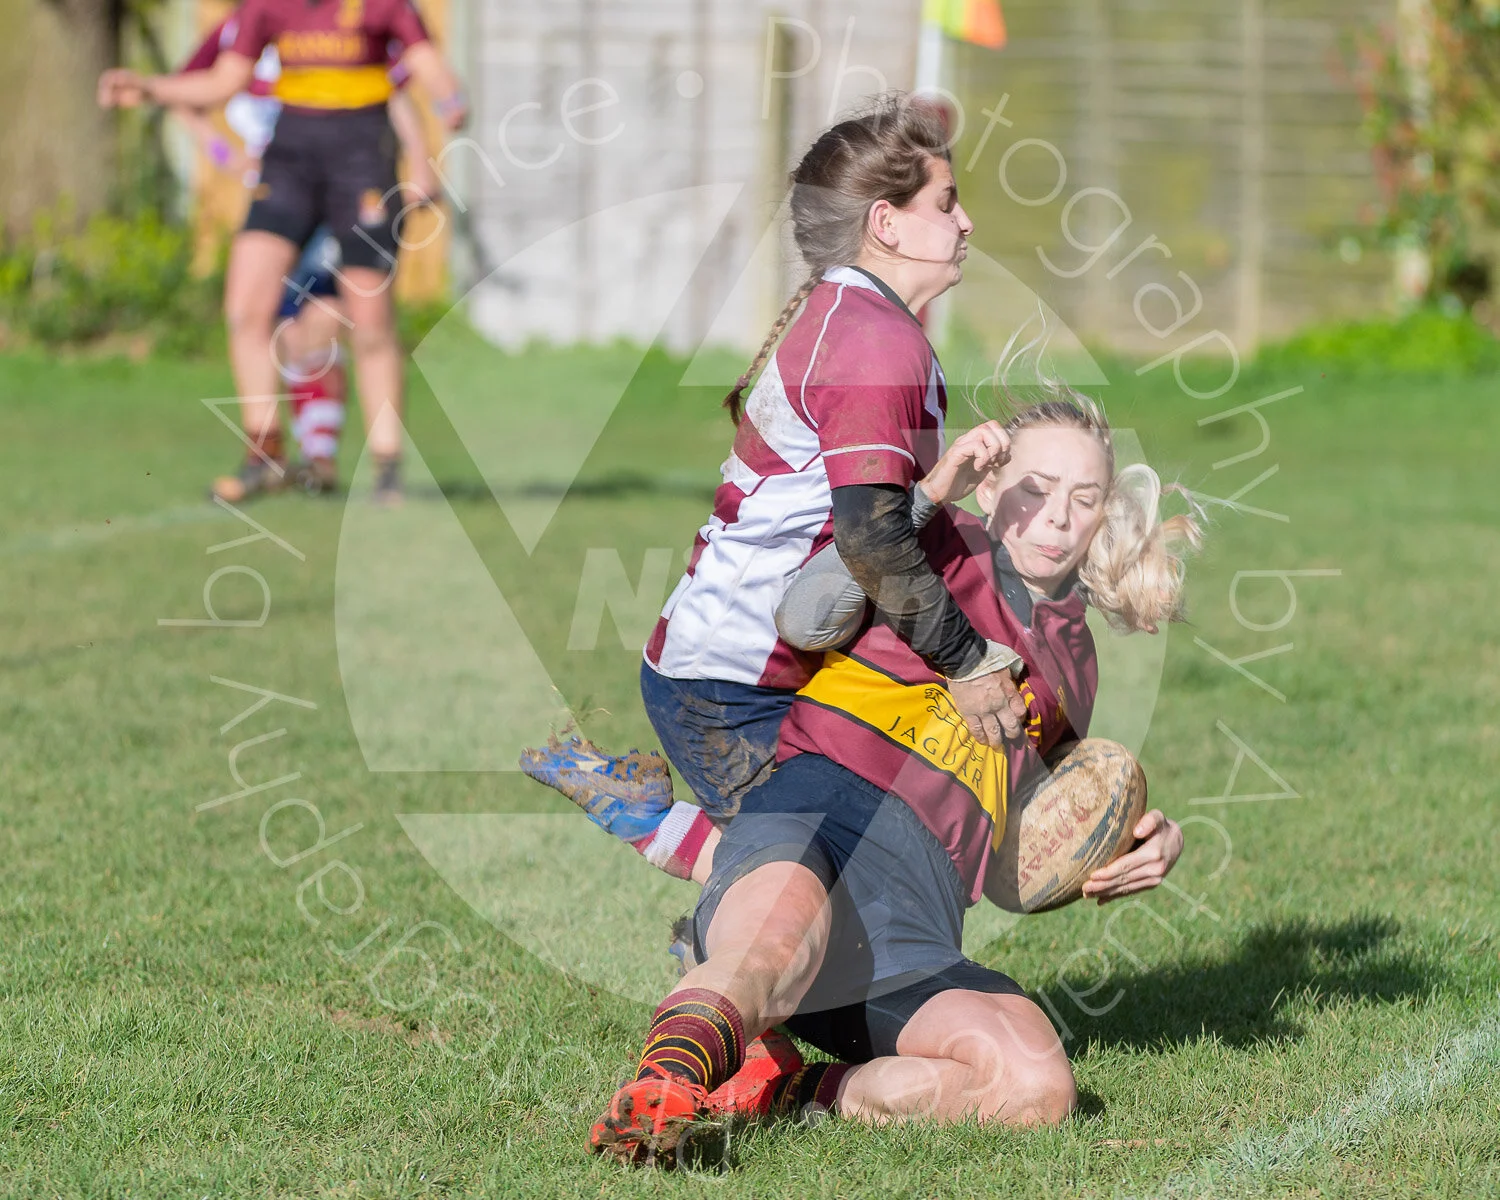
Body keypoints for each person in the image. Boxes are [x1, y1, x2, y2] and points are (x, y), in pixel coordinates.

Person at [586, 390, 1203, 1164]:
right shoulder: (932, 540)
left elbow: (1020, 855)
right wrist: (922, 499)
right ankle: (661, 1095)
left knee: (1035, 1084)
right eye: (1036, 489)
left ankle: (778, 1090)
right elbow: (804, 612)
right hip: (822, 809)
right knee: (772, 951)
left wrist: (1132, 837)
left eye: (1083, 500)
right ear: (990, 485)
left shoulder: (1074, 660)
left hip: (921, 910)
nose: (1056, 518)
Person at [522, 94, 1029, 895]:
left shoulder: (868, 322)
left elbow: (869, 524)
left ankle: (663, 851)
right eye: (946, 202)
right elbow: (870, 542)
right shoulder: (871, 342)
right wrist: (967, 663)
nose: (966, 223)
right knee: (809, 894)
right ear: (886, 224)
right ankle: (677, 889)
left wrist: (944, 487)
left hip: (774, 661)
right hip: (729, 680)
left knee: (837, 885)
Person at [97, 0, 465, 505]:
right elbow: (223, 80)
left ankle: (386, 468)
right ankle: (264, 456)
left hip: (361, 165)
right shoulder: (265, 7)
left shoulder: (383, 4)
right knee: (246, 308)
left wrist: (449, 99)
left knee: (370, 321)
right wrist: (149, 87)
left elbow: (422, 64)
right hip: (289, 165)